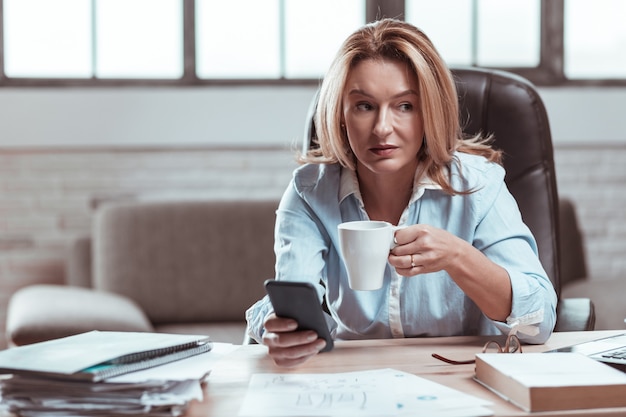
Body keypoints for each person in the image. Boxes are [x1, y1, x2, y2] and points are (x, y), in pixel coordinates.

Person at [245, 18, 557, 367]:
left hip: (457, 374)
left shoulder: (479, 187)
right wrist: (277, 327)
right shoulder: (310, 191)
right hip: (356, 377)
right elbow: (293, 296)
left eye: (404, 106)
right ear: (341, 114)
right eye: (364, 106)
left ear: (429, 113)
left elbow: (539, 321)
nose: (382, 128)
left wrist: (458, 256)